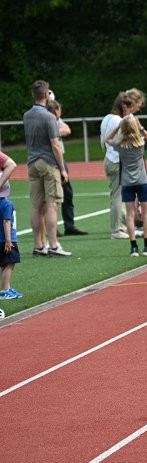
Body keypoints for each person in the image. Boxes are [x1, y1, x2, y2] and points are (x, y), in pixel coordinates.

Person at [24, 80, 71, 257]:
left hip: (32, 162)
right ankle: (53, 244)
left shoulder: (27, 115)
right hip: (48, 162)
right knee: (52, 205)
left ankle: (38, 245)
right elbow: (55, 145)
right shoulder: (49, 117)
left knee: (36, 206)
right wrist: (63, 169)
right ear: (46, 95)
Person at [106, 114, 147, 257]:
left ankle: (134, 247)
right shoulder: (141, 143)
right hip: (142, 182)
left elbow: (108, 139)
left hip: (126, 182)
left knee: (130, 216)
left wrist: (118, 126)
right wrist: (141, 127)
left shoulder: (120, 145)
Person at [47, 99, 87, 236]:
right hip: (53, 160)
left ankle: (69, 225)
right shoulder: (47, 121)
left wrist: (55, 131)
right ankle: (51, 228)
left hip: (60, 159)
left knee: (67, 193)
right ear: (55, 111)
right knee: (53, 196)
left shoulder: (55, 122)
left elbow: (67, 130)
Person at [101, 92, 134, 240]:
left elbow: (104, 141)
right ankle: (117, 229)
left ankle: (121, 226)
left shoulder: (106, 118)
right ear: (123, 106)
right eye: (129, 107)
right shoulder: (120, 121)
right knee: (118, 196)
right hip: (118, 160)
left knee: (116, 195)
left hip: (109, 158)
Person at [0, 152, 22, 300]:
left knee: (3, 264)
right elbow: (7, 221)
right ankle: (5, 289)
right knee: (10, 263)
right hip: (6, 239)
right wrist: (9, 240)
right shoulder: (6, 204)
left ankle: (5, 288)